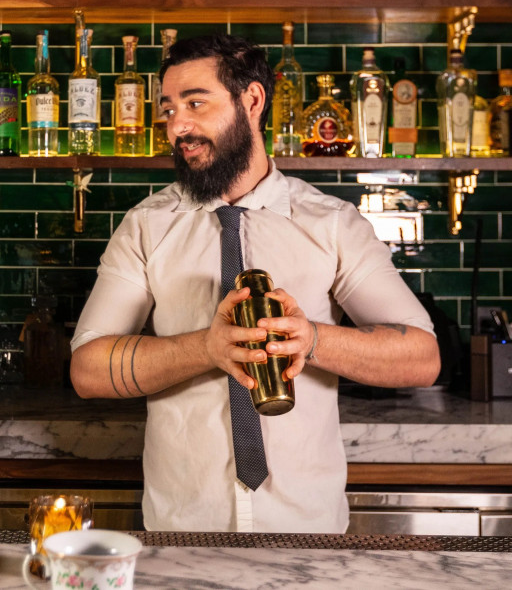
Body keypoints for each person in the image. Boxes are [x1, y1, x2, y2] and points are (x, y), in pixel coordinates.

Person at [69, 34, 440, 534]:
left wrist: (312, 339)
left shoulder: (330, 223)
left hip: (308, 535)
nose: (178, 125)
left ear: (252, 101)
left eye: (196, 103)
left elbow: (422, 357)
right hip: (182, 532)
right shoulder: (147, 225)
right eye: (168, 108)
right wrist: (206, 349)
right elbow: (88, 369)